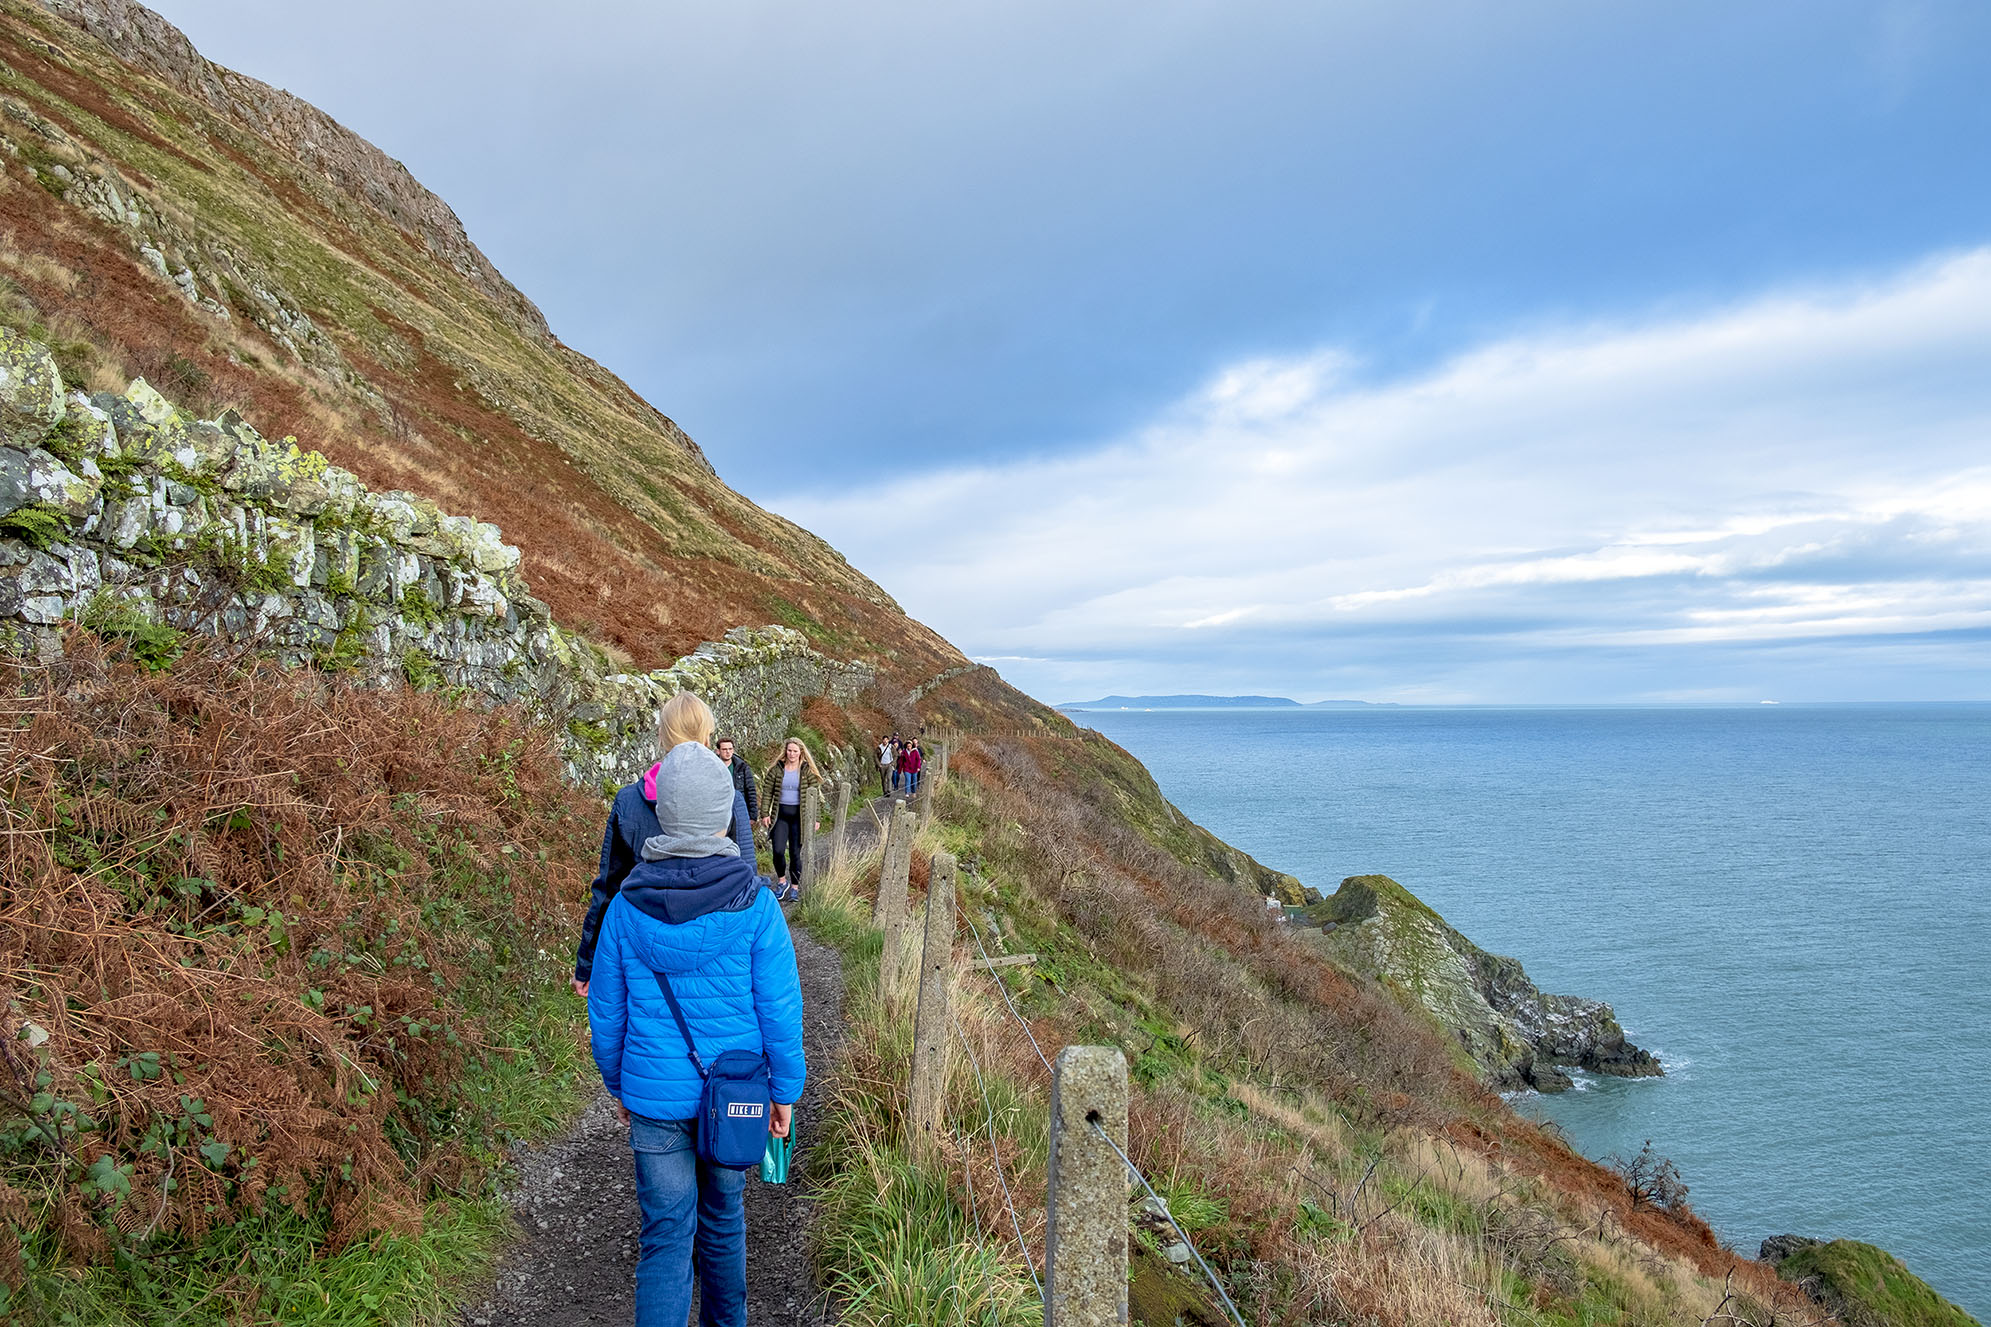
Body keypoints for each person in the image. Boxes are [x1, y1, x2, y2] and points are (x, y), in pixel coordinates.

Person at [586, 696, 805, 1327]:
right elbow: (780, 1010)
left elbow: (607, 1012)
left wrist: (619, 1083)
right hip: (735, 1091)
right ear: (721, 814)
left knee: (664, 1240)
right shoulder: (756, 904)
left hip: (655, 1099)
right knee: (723, 1225)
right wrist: (783, 1092)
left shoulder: (626, 910)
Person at [574, 692, 729, 997]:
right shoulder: (723, 795)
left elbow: (609, 888)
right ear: (708, 737)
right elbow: (742, 873)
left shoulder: (630, 801)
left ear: (662, 737)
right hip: (715, 948)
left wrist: (588, 962)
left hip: (644, 944)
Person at [759, 737, 823, 902]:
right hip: (780, 815)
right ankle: (782, 881)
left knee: (795, 853)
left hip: (799, 818)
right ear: (785, 751)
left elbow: (815, 796)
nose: (792, 754)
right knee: (778, 850)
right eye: (789, 750)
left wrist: (816, 818)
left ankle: (795, 887)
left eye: (795, 751)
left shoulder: (807, 771)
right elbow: (767, 791)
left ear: (800, 752)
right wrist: (764, 813)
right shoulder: (777, 769)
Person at [715, 737, 758, 850]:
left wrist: (752, 815)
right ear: (718, 751)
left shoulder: (742, 767)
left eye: (730, 749)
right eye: (724, 749)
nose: (728, 752)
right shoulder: (711, 767)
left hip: (737, 812)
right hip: (718, 812)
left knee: (739, 843)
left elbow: (750, 790)